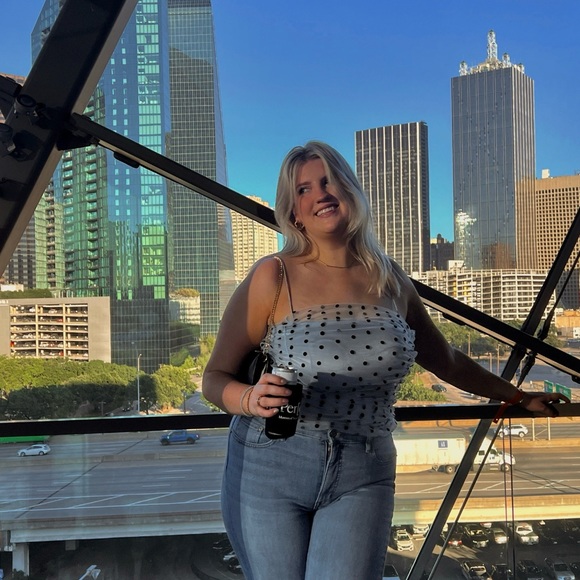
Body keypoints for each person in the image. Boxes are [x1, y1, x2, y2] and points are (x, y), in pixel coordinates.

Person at [202, 141, 569, 580]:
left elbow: (447, 361)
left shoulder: (390, 278)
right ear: (294, 212)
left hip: (365, 466)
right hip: (271, 463)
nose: (320, 194)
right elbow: (214, 378)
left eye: (329, 181)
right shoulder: (274, 275)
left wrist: (517, 397)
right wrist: (249, 399)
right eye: (304, 189)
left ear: (350, 190)